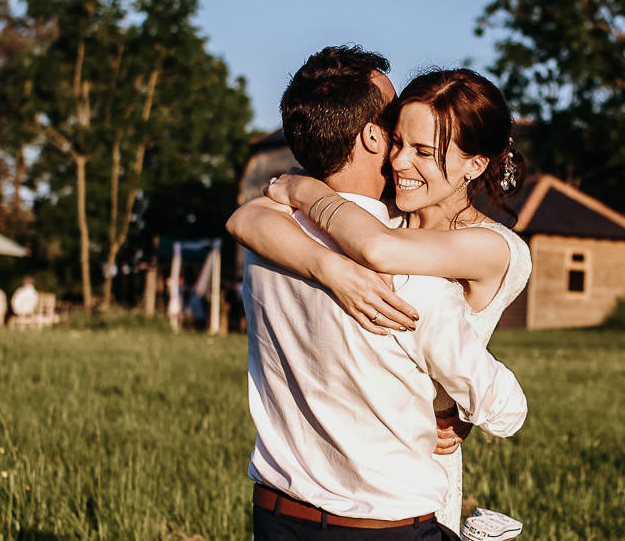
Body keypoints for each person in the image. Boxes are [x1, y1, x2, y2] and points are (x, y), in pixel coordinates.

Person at [225, 46, 527, 541]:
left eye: (422, 149)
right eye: (396, 133)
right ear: (373, 136)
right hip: (385, 515)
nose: (400, 156)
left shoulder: (269, 244)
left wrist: (303, 191)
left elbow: (250, 219)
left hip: (281, 512)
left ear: (474, 165)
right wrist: (329, 266)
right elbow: (506, 406)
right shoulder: (414, 280)